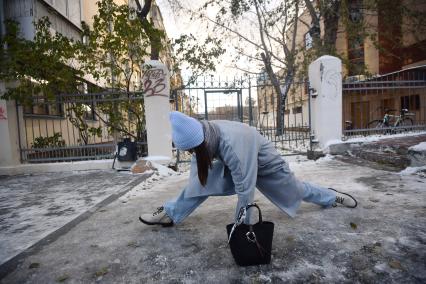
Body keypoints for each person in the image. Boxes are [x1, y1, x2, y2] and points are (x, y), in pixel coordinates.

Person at [139, 111, 357, 227]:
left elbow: (245, 190)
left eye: (191, 151)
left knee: (297, 190)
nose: (190, 155)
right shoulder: (206, 131)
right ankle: (169, 212)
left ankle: (331, 197)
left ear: (199, 144)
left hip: (267, 165)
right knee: (200, 184)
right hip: (240, 161)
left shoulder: (231, 146)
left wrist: (242, 227)